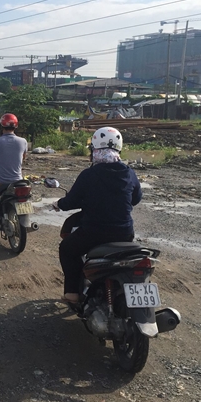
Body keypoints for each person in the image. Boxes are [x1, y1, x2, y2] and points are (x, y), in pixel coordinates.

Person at [53, 126, 142, 307]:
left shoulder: (89, 174)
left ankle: (72, 293)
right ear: (119, 148)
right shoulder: (128, 172)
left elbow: (72, 200)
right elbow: (136, 198)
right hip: (125, 233)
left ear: (95, 149)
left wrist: (59, 204)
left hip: (94, 232)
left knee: (67, 249)